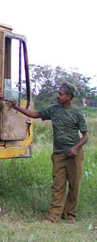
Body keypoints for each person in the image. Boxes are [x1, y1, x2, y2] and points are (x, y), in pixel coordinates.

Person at [11, 82, 89, 223]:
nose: (57, 96)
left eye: (60, 94)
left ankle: (70, 214)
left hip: (74, 155)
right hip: (59, 154)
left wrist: (75, 148)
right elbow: (35, 115)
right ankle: (53, 216)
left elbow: (85, 136)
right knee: (57, 185)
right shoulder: (54, 110)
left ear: (69, 97)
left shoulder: (77, 114)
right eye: (58, 93)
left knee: (74, 185)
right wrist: (17, 107)